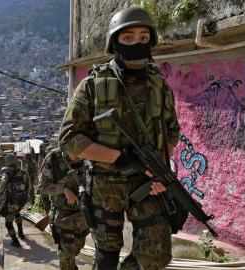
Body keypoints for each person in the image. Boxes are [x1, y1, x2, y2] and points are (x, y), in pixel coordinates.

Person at [58, 7, 180, 270]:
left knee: (157, 255)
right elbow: (68, 138)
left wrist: (157, 169)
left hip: (146, 183)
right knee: (107, 254)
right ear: (115, 42)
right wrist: (118, 158)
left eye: (144, 37)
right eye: (128, 38)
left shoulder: (159, 86)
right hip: (105, 184)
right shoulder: (92, 85)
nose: (137, 43)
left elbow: (172, 130)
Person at [39, 147, 89, 270]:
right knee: (66, 254)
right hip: (63, 216)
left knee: (77, 247)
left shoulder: (88, 155)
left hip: (83, 215)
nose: (79, 156)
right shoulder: (53, 158)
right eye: (76, 152)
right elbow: (43, 186)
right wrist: (64, 189)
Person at [0, 154, 31, 247]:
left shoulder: (6, 174)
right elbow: (29, 186)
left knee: (8, 222)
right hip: (21, 201)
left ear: (7, 162)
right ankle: (21, 234)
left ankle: (15, 241)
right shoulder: (24, 172)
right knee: (18, 214)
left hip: (10, 203)